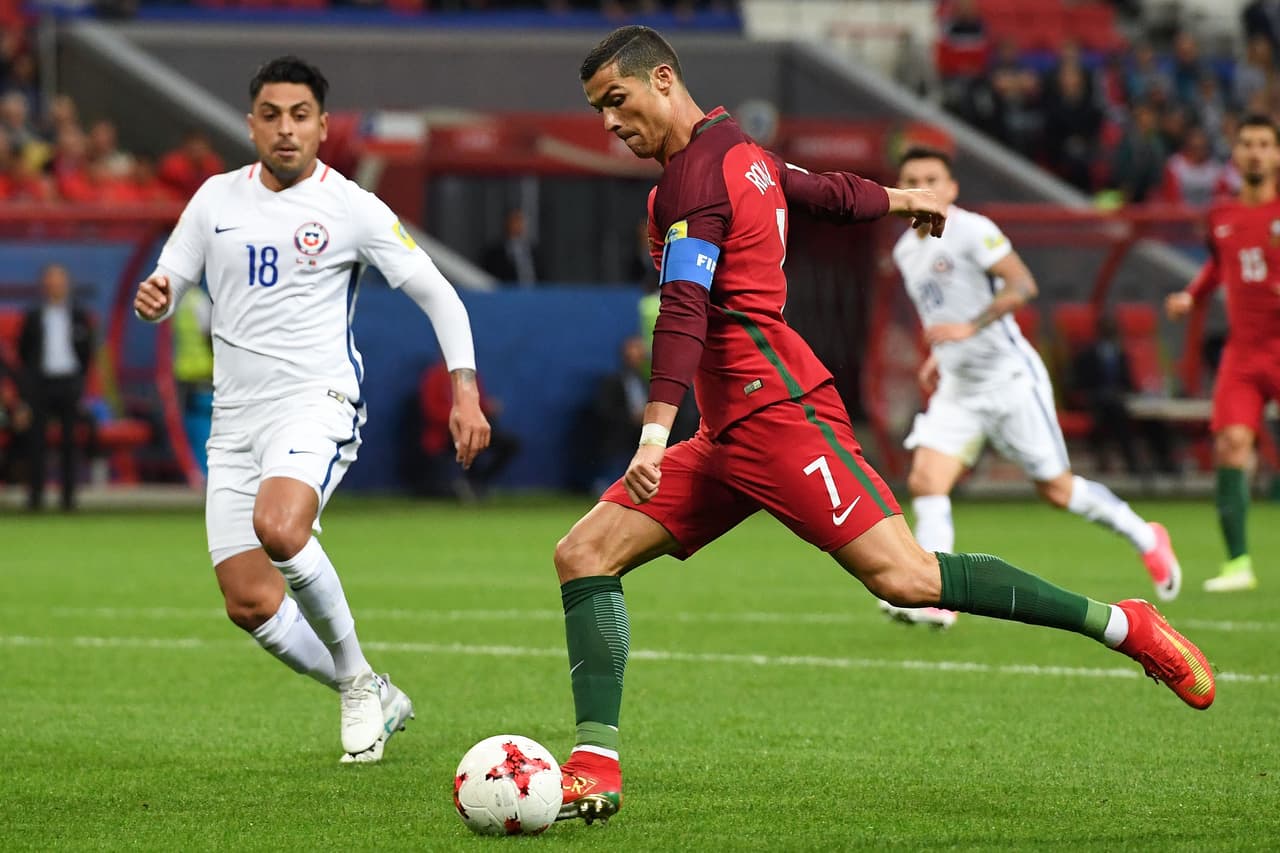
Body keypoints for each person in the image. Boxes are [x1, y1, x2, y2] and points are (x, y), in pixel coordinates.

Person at [553, 26, 1215, 827]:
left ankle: (1125, 623)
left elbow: (686, 311)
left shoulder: (692, 182)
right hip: (727, 435)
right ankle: (594, 765)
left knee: (907, 577)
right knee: (584, 553)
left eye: (616, 102)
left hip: (780, 414)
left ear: (663, 79)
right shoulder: (740, 152)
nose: (609, 125)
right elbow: (824, 191)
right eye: (598, 111)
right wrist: (906, 199)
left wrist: (653, 432)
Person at [132, 56, 491, 763]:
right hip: (236, 422)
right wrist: (158, 296)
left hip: (317, 402)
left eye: (300, 115)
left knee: (280, 525)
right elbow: (170, 277)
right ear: (252, 124)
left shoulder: (350, 206)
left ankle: (357, 683)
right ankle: (375, 689)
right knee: (250, 601)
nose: (286, 129)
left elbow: (438, 293)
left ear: (323, 127)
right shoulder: (214, 201)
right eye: (272, 115)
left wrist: (465, 389)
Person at [886, 147, 1181, 629]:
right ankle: (937, 597)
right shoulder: (905, 250)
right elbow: (938, 314)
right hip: (960, 387)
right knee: (925, 481)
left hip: (1009, 380)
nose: (924, 187)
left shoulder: (972, 230)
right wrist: (939, 356)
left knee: (1057, 491)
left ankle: (1146, 535)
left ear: (952, 188)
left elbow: (1022, 285)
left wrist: (969, 327)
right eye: (913, 179)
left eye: (932, 178)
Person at [1166, 113, 1280, 592]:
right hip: (1245, 353)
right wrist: (1192, 295)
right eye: (1247, 143)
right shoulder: (1221, 216)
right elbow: (1219, 265)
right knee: (1232, 446)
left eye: (1263, 144)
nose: (1255, 151)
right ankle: (1238, 565)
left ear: (1276, 155)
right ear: (1235, 155)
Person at [17, 263, 94, 511]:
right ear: (44, 284)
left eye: (59, 280)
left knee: (70, 442)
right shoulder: (34, 316)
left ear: (67, 284)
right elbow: (24, 353)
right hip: (41, 384)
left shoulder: (78, 315)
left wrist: (80, 381)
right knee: (36, 441)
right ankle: (36, 497)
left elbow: (87, 352)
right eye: (51, 280)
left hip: (68, 383)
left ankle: (68, 499)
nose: (55, 285)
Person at [417, 359, 519, 500]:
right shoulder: (435, 376)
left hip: (471, 430)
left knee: (509, 444)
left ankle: (477, 482)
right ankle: (470, 487)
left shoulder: (469, 377)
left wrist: (487, 408)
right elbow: (431, 410)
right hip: (444, 435)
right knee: (469, 441)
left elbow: (476, 405)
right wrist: (459, 416)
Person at [479, 207, 539, 285]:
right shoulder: (493, 254)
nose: (519, 225)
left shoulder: (535, 252)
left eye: (521, 221)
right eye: (515, 221)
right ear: (507, 223)